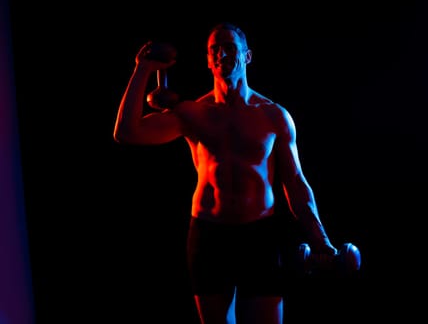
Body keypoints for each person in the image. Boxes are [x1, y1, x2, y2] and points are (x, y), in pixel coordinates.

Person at [113, 22, 338, 324]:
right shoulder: (193, 113)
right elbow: (127, 132)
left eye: (229, 47)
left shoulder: (273, 116)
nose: (221, 54)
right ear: (208, 61)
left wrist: (320, 238)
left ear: (247, 56)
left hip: (259, 236)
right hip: (209, 235)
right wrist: (142, 69)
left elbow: (296, 184)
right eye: (214, 49)